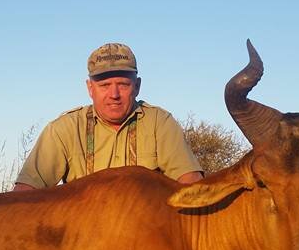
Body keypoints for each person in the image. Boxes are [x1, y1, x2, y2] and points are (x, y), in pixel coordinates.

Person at [13, 43, 203, 191]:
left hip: (146, 233)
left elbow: (192, 184)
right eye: (104, 85)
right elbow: (25, 194)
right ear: (90, 88)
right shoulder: (65, 128)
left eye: (122, 84)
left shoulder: (160, 123)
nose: (114, 94)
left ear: (137, 86)